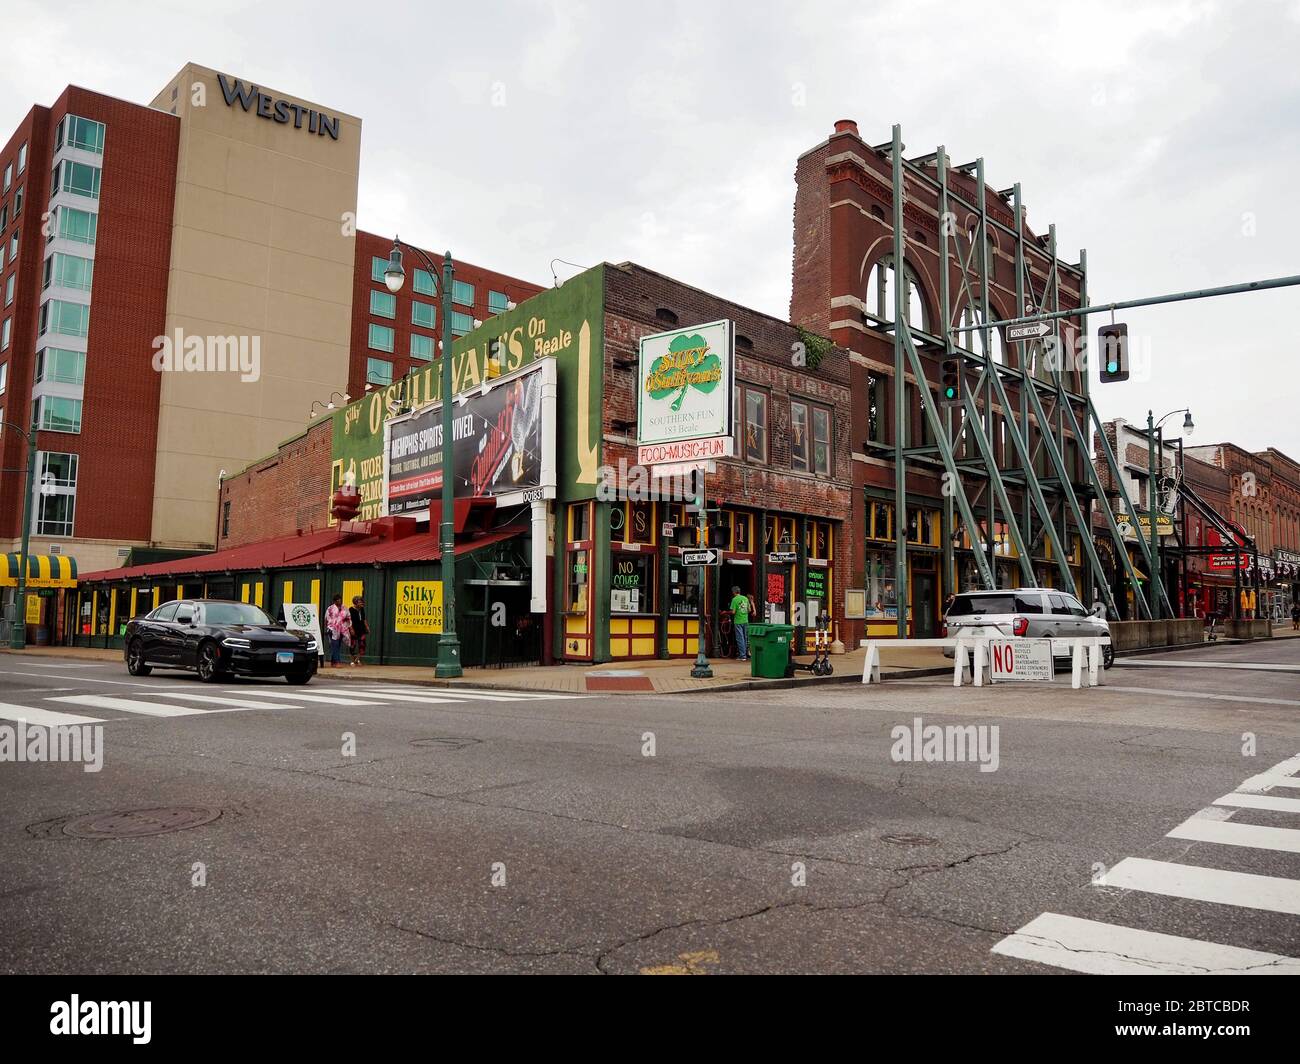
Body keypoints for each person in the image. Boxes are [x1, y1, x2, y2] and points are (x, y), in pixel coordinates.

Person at [729, 585, 752, 662]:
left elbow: (733, 612)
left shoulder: (734, 599)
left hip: (738, 621)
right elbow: (749, 610)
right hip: (746, 620)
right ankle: (746, 654)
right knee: (746, 638)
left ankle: (742, 656)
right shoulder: (745, 598)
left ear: (733, 592)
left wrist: (726, 612)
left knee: (740, 638)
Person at [324, 594, 346, 667]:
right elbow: (326, 619)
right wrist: (327, 628)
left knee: (337, 646)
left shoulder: (344, 608)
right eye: (337, 600)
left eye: (340, 600)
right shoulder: (330, 608)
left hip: (341, 629)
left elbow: (347, 618)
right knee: (335, 645)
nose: (339, 601)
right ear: (334, 601)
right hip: (332, 629)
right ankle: (337, 662)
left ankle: (333, 662)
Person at [348, 595, 369, 666]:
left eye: (362, 602)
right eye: (360, 602)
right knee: (352, 645)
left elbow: (364, 619)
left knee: (362, 645)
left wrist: (367, 627)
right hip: (354, 629)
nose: (362, 604)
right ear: (355, 603)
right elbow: (349, 621)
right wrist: (351, 629)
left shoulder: (362, 609)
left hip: (361, 630)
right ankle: (352, 661)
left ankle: (357, 659)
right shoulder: (350, 610)